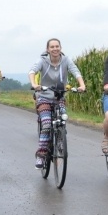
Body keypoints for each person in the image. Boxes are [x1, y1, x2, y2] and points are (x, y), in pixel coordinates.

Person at [28, 38, 86, 169]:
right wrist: (34, 84)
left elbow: (75, 71)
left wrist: (82, 85)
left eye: (57, 46)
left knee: (63, 118)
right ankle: (41, 155)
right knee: (47, 124)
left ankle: (60, 141)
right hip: (44, 96)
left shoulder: (66, 60)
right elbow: (32, 71)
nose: (55, 49)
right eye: (52, 47)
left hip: (59, 96)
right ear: (48, 49)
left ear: (61, 47)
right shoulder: (42, 60)